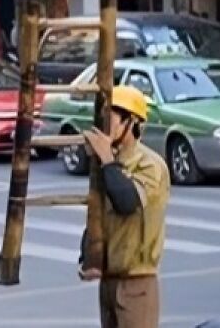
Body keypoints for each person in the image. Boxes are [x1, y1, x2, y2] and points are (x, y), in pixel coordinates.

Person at [80, 84, 169, 328]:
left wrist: (107, 160)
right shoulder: (110, 164)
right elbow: (99, 216)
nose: (105, 127)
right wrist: (87, 256)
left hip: (137, 282)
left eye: (112, 120)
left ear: (131, 122)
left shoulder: (149, 164)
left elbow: (127, 203)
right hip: (109, 281)